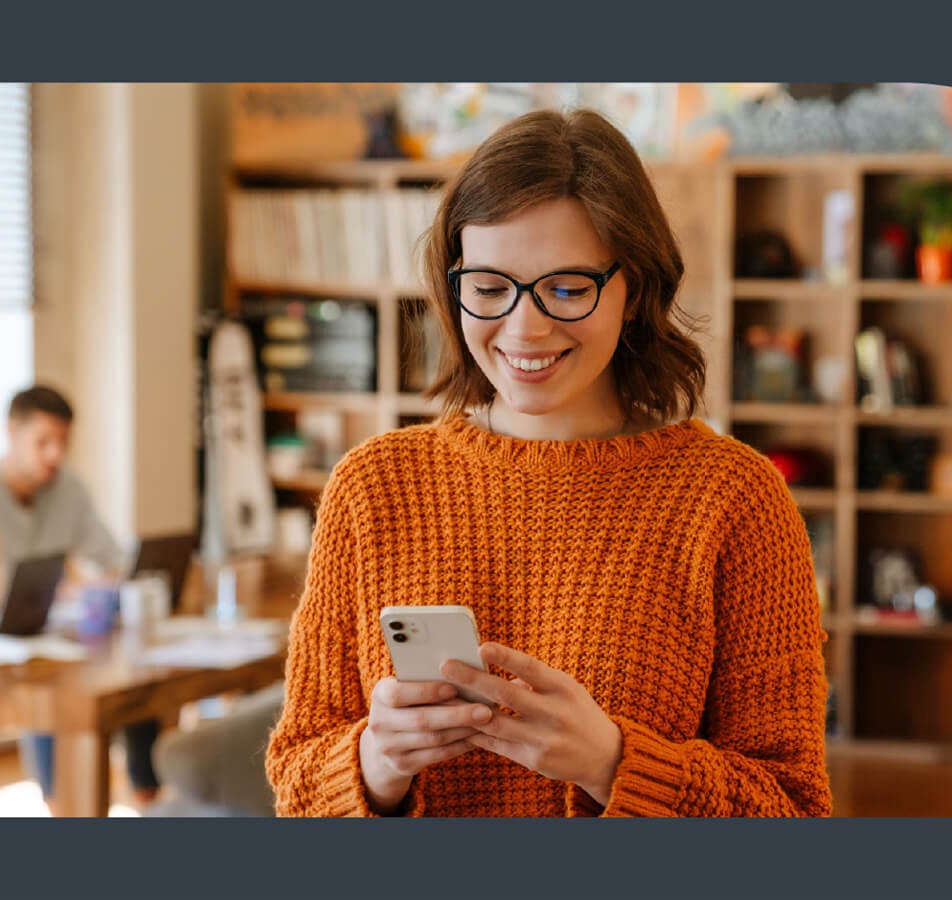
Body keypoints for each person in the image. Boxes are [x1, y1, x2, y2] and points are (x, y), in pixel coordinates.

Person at [265, 110, 831, 817]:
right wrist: (375, 764)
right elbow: (296, 779)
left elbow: (793, 809)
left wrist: (613, 763)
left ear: (635, 292)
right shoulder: (372, 487)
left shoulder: (732, 499)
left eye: (567, 288)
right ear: (454, 284)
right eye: (491, 287)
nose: (525, 328)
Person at [0, 385, 162, 807]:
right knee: (55, 680)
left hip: (31, 635)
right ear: (12, 432)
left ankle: (148, 797)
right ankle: (59, 804)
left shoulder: (69, 490)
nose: (55, 456)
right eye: (43, 442)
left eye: (63, 443)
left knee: (133, 675)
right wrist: (40, 589)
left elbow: (110, 559)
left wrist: (107, 582)